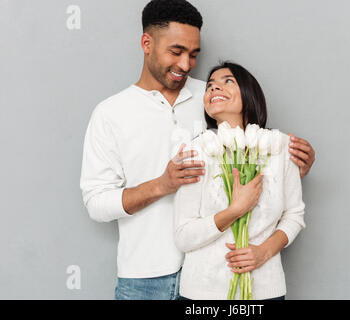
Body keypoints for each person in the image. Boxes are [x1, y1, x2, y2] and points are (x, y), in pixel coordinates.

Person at [80, 0, 315, 300]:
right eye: (176, 52)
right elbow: (96, 202)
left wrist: (296, 163)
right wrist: (161, 185)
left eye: (193, 55)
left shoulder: (214, 98)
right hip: (145, 278)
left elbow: (262, 157)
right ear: (147, 43)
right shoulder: (111, 113)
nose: (186, 64)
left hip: (217, 277)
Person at [174, 62, 305, 300]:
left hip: (265, 292)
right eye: (210, 86)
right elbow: (183, 236)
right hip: (203, 294)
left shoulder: (281, 147)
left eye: (227, 81)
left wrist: (264, 252)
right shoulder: (197, 151)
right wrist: (235, 210)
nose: (214, 89)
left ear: (248, 92)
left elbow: (294, 215)